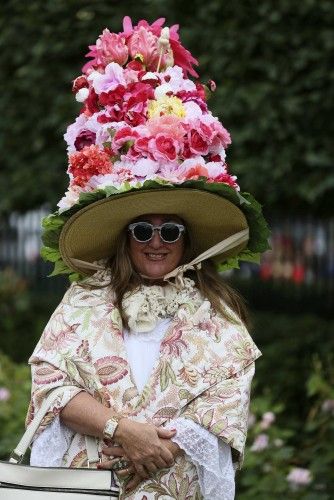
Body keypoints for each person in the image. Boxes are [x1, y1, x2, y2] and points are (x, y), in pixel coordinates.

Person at [26, 16, 270, 500]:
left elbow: (224, 407)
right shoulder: (83, 300)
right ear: (124, 237)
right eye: (142, 229)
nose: (155, 241)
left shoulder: (217, 317)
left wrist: (152, 450)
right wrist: (123, 430)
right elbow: (50, 384)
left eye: (171, 230)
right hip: (84, 490)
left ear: (187, 240)